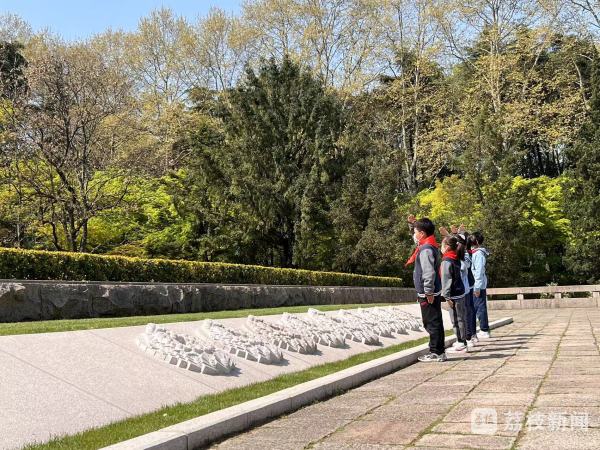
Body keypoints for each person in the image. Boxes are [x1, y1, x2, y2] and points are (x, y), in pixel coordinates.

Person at [406, 216, 447, 362]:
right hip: (430, 291)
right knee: (434, 321)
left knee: (431, 322)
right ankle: (439, 351)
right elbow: (417, 239)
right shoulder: (429, 245)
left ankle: (436, 352)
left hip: (428, 293)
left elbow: (428, 272)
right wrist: (412, 224)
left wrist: (428, 291)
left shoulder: (425, 250)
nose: (414, 235)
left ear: (422, 234)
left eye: (415, 232)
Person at [440, 234, 468, 354]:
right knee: (460, 318)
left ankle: (461, 343)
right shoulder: (455, 257)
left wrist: (446, 296)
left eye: (441, 245)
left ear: (446, 247)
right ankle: (461, 341)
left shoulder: (447, 261)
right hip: (459, 292)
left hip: (454, 295)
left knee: (457, 319)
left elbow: (446, 280)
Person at [469, 231, 491, 338]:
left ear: (476, 241)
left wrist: (477, 287)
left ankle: (484, 329)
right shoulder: (476, 253)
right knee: (479, 306)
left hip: (478, 285)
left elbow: (479, 271)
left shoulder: (478, 254)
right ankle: (484, 329)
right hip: (478, 284)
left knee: (480, 307)